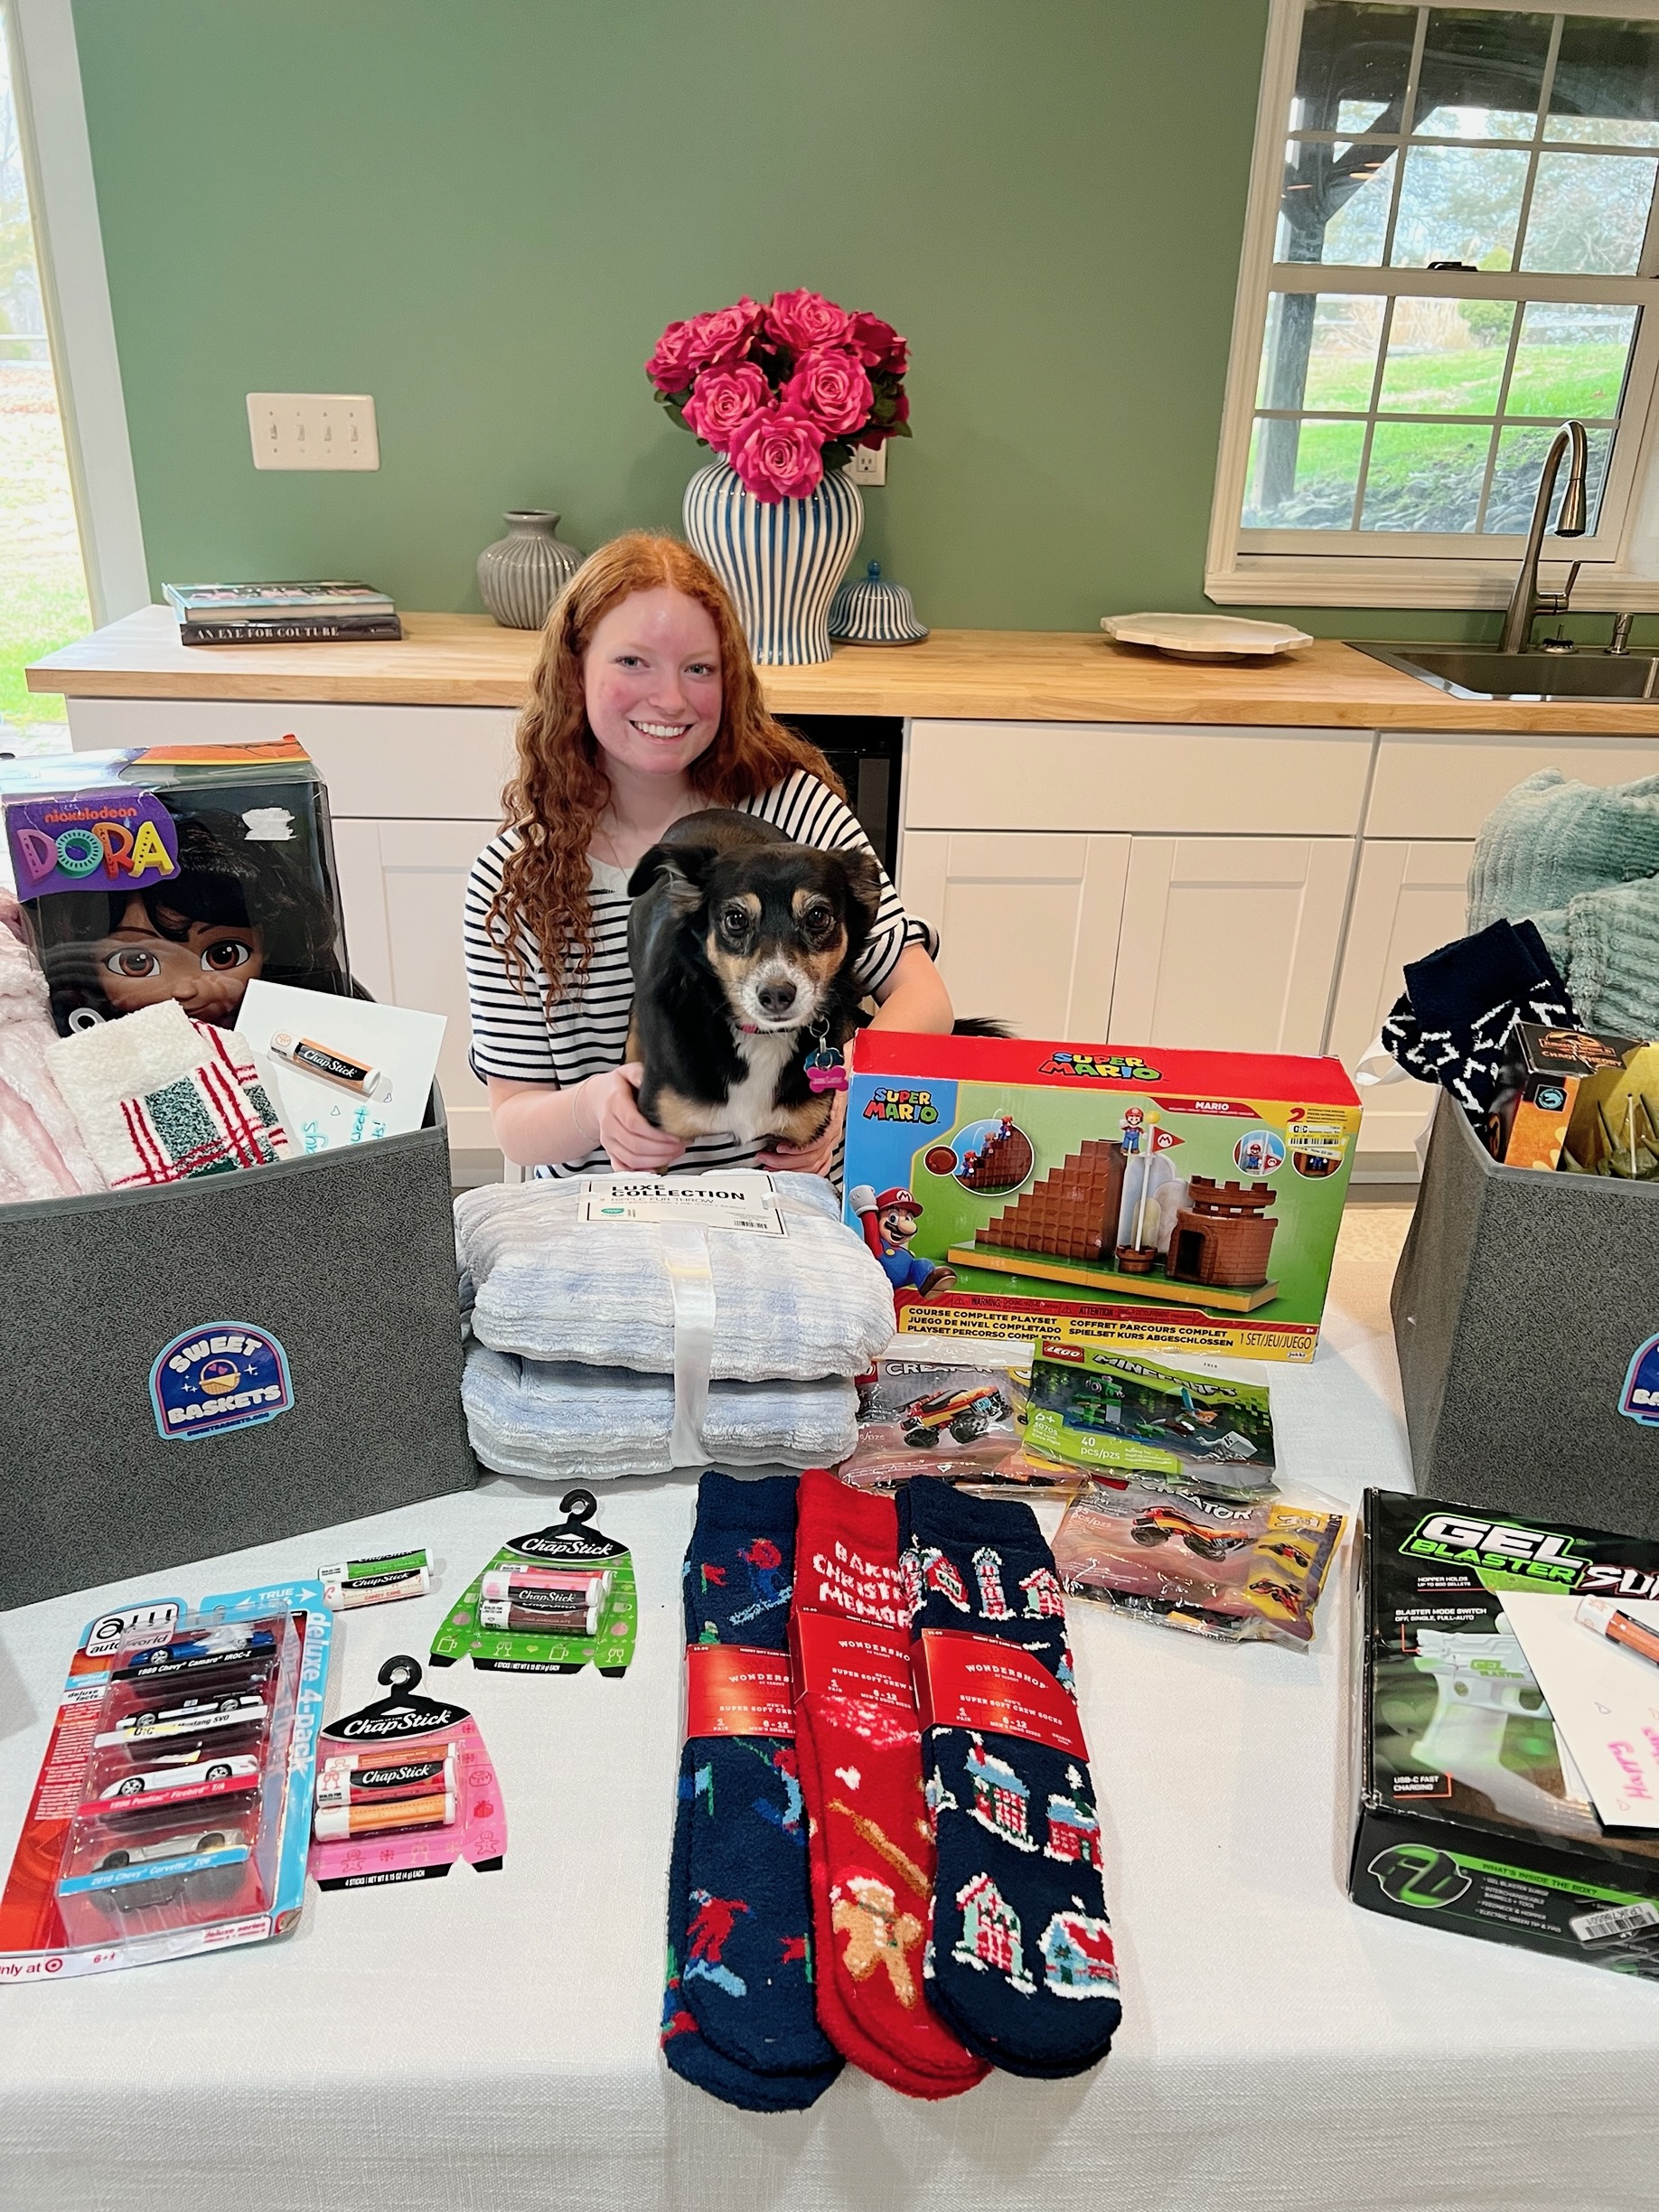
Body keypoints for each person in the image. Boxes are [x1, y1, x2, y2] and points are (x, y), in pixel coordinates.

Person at [464, 532, 953, 1176]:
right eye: (633, 662)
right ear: (574, 666)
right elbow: (515, 1127)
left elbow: (926, 997)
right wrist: (592, 1111)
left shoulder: (796, 811)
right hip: (609, 1222)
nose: (669, 698)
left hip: (786, 1212)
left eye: (699, 668)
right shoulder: (515, 878)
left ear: (731, 678)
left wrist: (843, 1088)